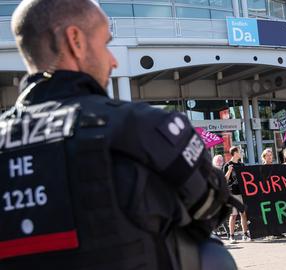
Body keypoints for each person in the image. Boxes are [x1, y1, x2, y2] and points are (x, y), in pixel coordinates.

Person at [0, 1, 236, 269]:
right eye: (105, 44)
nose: (112, 60)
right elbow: (213, 207)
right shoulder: (142, 126)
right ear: (75, 40)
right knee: (214, 256)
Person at [223, 146, 251, 243]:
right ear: (235, 153)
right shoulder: (228, 165)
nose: (241, 153)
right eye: (240, 151)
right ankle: (231, 236)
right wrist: (229, 171)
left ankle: (245, 234)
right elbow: (225, 180)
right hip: (232, 193)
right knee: (233, 215)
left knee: (243, 214)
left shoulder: (242, 165)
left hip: (242, 192)